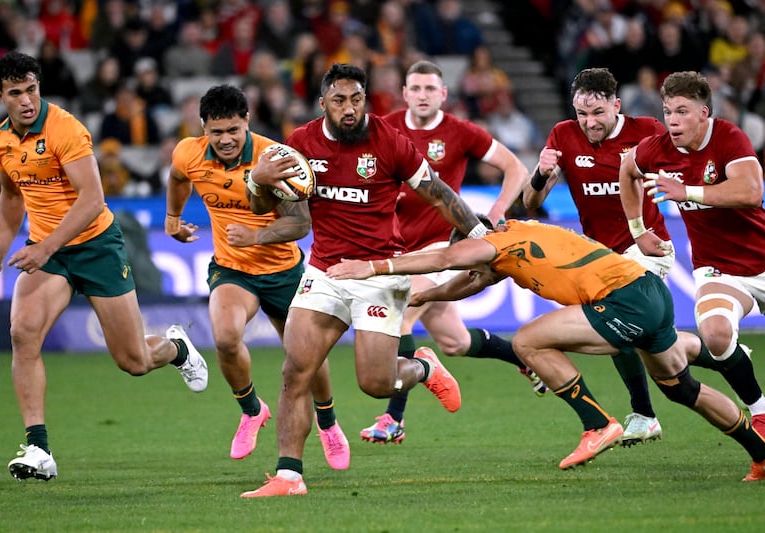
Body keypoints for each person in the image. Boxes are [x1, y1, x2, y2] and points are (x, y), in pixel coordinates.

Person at [326, 217, 765, 480]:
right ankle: (761, 455)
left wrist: (375, 266)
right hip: (648, 290)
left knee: (528, 340)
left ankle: (597, 423)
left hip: (623, 300)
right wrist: (429, 297)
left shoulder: (495, 241)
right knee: (681, 389)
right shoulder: (519, 240)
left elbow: (444, 262)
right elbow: (473, 279)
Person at [240, 63, 488, 497]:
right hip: (325, 272)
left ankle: (424, 365)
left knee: (375, 385)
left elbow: (440, 194)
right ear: (323, 104)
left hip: (377, 273)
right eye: (339, 100)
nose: (350, 108)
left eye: (357, 99)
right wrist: (256, 181)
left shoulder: (391, 143)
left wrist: (482, 238)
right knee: (295, 371)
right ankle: (289, 475)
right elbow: (270, 208)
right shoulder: (299, 146)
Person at [0, 51, 208, 482]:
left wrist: (45, 249)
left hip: (96, 245)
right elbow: (10, 198)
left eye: (31, 89)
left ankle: (176, 347)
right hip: (49, 249)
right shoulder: (0, 141)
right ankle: (38, 448)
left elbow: (92, 200)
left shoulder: (65, 129)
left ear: (39, 87)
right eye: (15, 93)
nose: (26, 100)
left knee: (133, 360)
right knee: (22, 333)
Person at [164, 84, 349, 469]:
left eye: (233, 130)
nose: (226, 139)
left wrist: (256, 235)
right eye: (217, 132)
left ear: (247, 121)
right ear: (204, 129)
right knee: (225, 338)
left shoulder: (277, 158)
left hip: (283, 270)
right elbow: (178, 177)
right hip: (233, 269)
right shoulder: (189, 153)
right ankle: (251, 410)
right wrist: (172, 218)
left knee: (305, 356)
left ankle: (328, 423)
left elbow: (300, 224)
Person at [360, 59, 539, 445]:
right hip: (400, 248)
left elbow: (515, 168)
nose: (423, 96)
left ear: (443, 94)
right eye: (416, 89)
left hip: (444, 247)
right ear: (404, 94)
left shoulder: (459, 131)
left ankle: (394, 419)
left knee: (401, 319)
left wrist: (495, 213)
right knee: (455, 342)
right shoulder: (384, 128)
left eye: (430, 89)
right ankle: (525, 360)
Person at [523, 67, 671, 447]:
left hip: (646, 247)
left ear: (616, 106)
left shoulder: (648, 131)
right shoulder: (563, 135)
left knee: (619, 325)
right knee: (650, 345)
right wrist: (541, 174)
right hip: (600, 256)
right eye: (582, 114)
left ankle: (643, 413)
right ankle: (715, 357)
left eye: (598, 113)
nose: (589, 122)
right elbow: (531, 203)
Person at [619, 70, 765, 438]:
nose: (672, 120)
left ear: (704, 113)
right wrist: (638, 231)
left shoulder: (729, 137)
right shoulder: (658, 148)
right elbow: (627, 168)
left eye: (682, 111)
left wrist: (689, 192)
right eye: (668, 110)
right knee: (715, 335)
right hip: (720, 270)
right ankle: (761, 413)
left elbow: (750, 191)